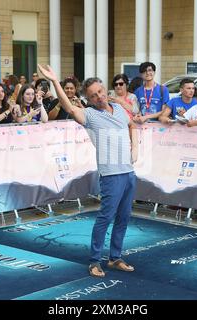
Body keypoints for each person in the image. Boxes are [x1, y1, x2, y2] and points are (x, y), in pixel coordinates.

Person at [38, 64, 138, 278]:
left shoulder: (119, 109)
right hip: (111, 175)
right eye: (93, 96)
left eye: (100, 92)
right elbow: (70, 108)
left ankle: (115, 257)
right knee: (105, 217)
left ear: (104, 89)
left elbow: (132, 124)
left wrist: (135, 147)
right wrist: (55, 81)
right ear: (89, 99)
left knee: (124, 217)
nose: (99, 97)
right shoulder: (91, 115)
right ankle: (94, 261)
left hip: (128, 173)